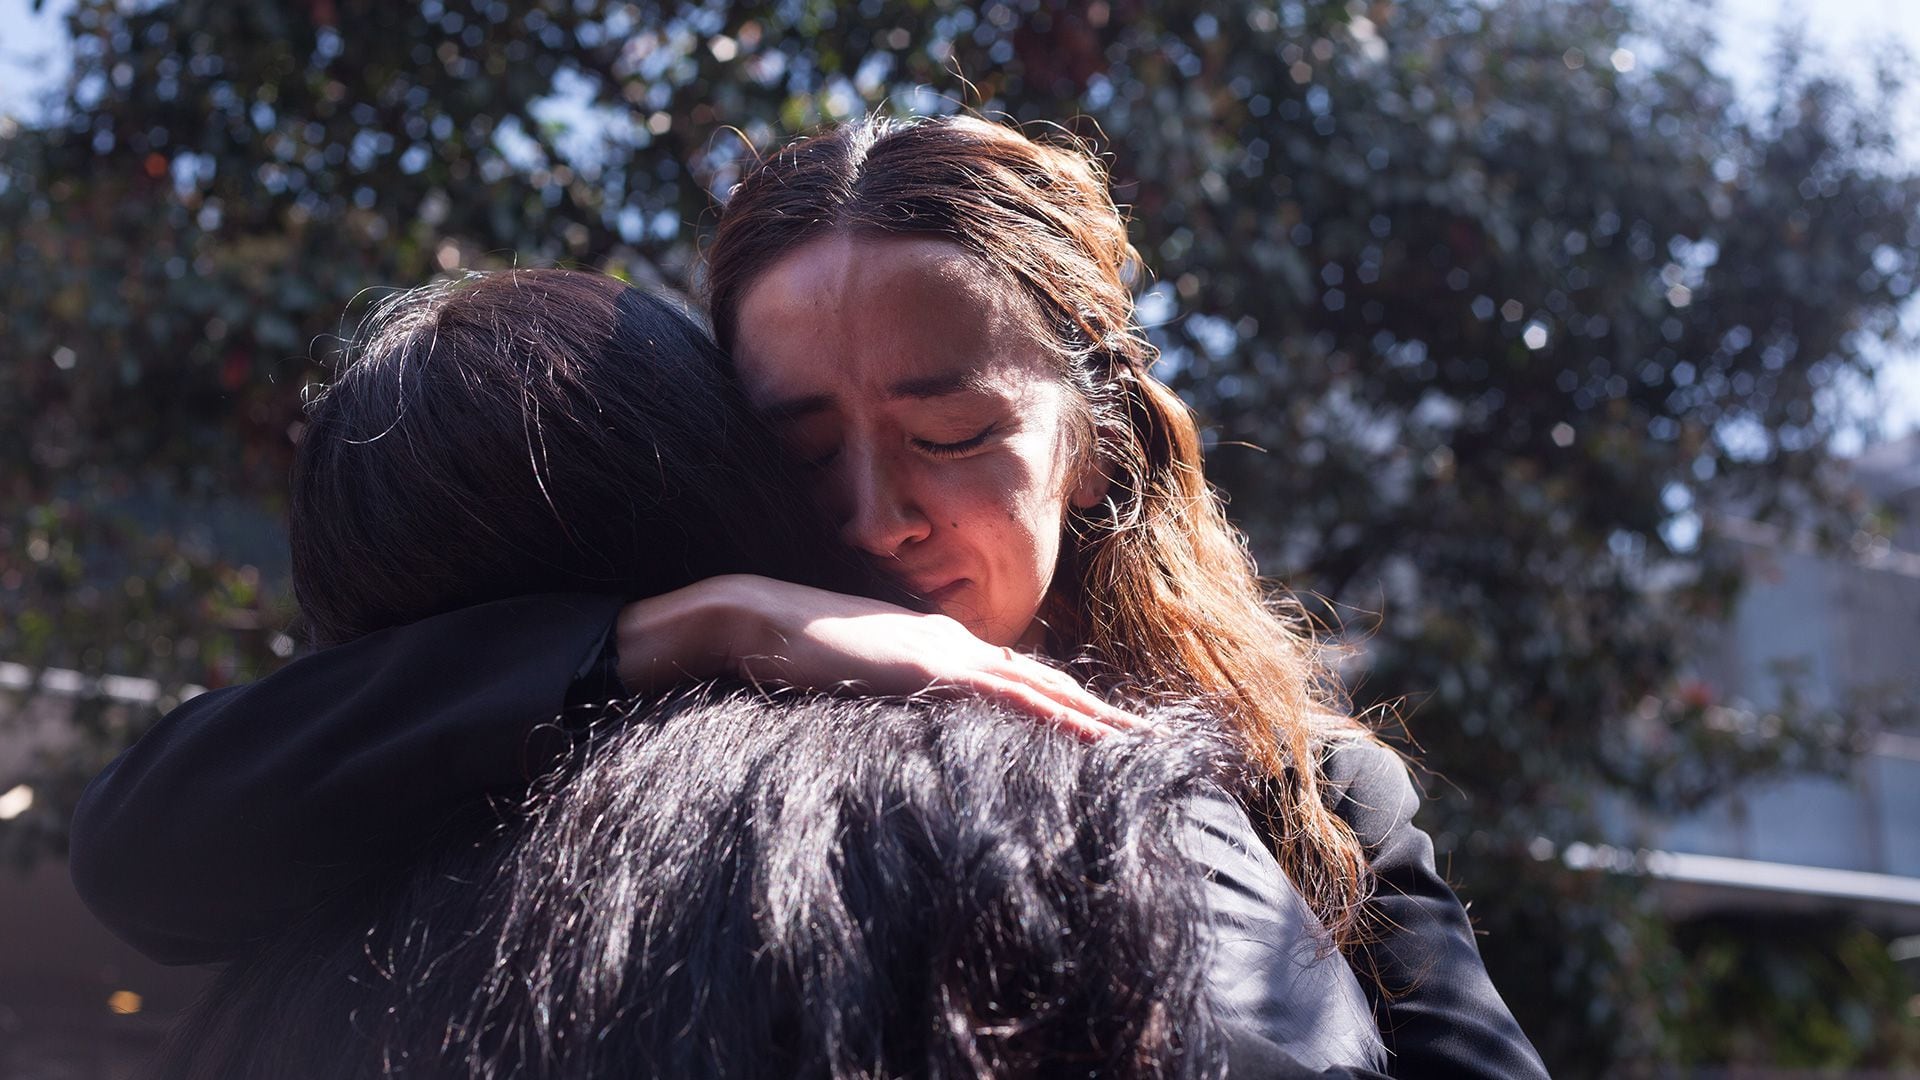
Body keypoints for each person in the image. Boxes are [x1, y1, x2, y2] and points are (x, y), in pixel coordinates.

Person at [74, 116, 1546, 1078]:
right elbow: (149, 841)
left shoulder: (1299, 783)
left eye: (953, 436)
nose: (871, 516)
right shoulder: (682, 710)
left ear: (1092, 449)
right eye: (797, 445)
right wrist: (664, 631)